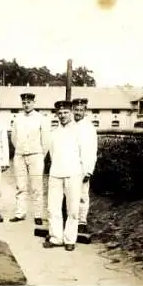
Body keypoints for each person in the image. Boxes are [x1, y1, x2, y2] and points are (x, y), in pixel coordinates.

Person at [43, 100, 85, 251]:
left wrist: (85, 172)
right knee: (53, 207)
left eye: (66, 112)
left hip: (73, 173)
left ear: (71, 112)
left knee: (72, 209)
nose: (62, 115)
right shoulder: (53, 133)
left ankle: (70, 239)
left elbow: (84, 154)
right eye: (59, 113)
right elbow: (52, 154)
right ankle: (55, 238)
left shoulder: (79, 131)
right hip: (56, 173)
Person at [9, 93, 50, 225]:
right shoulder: (18, 119)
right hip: (20, 155)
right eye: (24, 102)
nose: (26, 105)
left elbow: (46, 141)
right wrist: (21, 150)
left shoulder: (41, 118)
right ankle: (20, 213)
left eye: (29, 102)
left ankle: (38, 215)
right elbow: (14, 138)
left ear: (34, 103)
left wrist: (39, 154)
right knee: (21, 186)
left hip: (36, 155)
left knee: (36, 186)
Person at [72, 98, 98, 234]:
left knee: (82, 196)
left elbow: (92, 150)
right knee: (69, 195)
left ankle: (82, 222)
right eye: (76, 109)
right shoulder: (69, 125)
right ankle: (71, 221)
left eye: (81, 110)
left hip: (83, 166)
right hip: (69, 166)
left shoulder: (89, 128)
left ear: (85, 111)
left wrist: (89, 171)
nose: (78, 112)